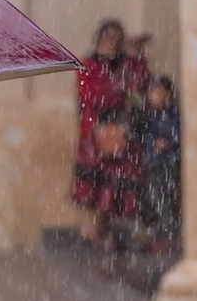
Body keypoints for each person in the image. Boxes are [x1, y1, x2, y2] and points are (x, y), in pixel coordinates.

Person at [73, 19, 150, 246]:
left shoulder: (128, 64)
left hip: (120, 133)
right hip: (95, 134)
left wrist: (137, 56)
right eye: (108, 38)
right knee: (96, 188)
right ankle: (94, 230)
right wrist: (120, 93)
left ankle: (101, 231)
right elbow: (92, 96)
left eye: (117, 39)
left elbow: (140, 85)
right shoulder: (88, 64)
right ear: (99, 39)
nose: (112, 43)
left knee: (115, 187)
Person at [71, 107, 143, 251]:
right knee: (102, 212)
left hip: (106, 179)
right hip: (105, 179)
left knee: (103, 212)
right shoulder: (104, 134)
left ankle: (99, 238)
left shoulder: (98, 134)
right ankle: (100, 238)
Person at [138, 75, 182, 252]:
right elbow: (144, 136)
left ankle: (168, 236)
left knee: (167, 200)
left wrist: (168, 143)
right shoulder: (149, 116)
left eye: (157, 91)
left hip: (168, 164)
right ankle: (157, 234)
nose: (153, 95)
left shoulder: (172, 115)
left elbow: (177, 134)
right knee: (153, 199)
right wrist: (150, 144)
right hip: (153, 164)